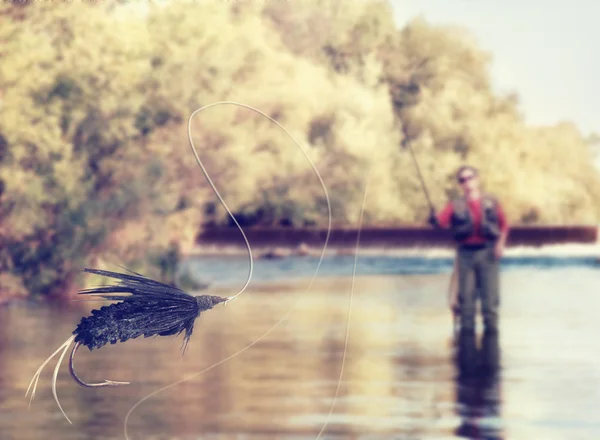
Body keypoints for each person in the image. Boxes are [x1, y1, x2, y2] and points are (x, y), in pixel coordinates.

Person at [428, 165, 509, 333]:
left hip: (488, 254)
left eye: (470, 177)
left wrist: (500, 245)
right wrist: (434, 220)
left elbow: (504, 225)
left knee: (490, 304)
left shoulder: (491, 202)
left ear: (477, 179)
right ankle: (467, 352)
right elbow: (441, 221)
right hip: (465, 256)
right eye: (462, 180)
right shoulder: (455, 205)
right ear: (460, 184)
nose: (467, 182)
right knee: (466, 305)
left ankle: (491, 352)